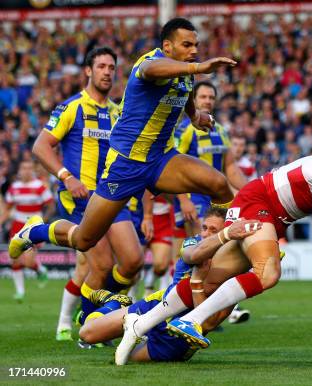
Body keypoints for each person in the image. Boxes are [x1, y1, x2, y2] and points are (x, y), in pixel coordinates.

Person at [114, 136, 312, 365]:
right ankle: (192, 320)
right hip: (259, 201)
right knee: (268, 272)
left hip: (275, 218)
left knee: (212, 280)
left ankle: (139, 324)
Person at [8, 18, 236, 265]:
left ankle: (234, 246)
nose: (194, 50)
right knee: (84, 239)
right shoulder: (150, 63)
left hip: (161, 160)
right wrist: (198, 68)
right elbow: (153, 70)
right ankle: (33, 231)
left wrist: (194, 115)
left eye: (196, 45)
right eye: (187, 45)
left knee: (219, 184)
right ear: (167, 47)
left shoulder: (185, 70)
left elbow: (184, 90)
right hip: (126, 164)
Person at [31, 47, 144, 331]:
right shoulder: (72, 107)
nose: (107, 72)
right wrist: (67, 176)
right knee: (102, 265)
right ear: (88, 71)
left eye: (111, 67)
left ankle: (95, 314)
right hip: (80, 200)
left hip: (111, 198)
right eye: (102, 66)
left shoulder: (118, 112)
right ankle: (88, 325)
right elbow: (40, 146)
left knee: (132, 262)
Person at [78, 210, 261, 364]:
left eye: (213, 230)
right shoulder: (193, 243)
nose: (205, 234)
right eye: (204, 227)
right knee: (87, 334)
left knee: (132, 360)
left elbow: (208, 323)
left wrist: (197, 281)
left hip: (175, 339)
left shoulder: (233, 272)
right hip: (158, 304)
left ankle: (138, 331)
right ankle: (115, 302)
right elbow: (191, 255)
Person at [173, 80, 249, 323]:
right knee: (201, 250)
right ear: (193, 101)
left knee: (223, 249)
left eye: (210, 97)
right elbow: (173, 166)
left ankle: (218, 305)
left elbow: (230, 167)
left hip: (217, 200)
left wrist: (249, 192)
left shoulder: (221, 130)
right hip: (193, 197)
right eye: (202, 96)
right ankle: (188, 306)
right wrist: (183, 200)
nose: (207, 101)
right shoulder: (185, 130)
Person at [1, 159, 54, 302]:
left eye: (29, 168)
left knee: (28, 262)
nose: (26, 171)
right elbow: (7, 208)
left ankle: (40, 270)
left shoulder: (40, 187)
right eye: (24, 168)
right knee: (15, 259)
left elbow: (51, 205)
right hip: (17, 225)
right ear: (20, 170)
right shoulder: (14, 187)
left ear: (33, 170)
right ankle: (20, 292)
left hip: (33, 226)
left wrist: (44, 219)